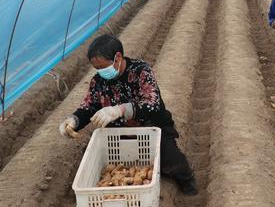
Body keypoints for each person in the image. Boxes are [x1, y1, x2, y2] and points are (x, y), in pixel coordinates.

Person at [59, 35, 198, 195]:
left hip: (151, 128)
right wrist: (74, 120)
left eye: (103, 67)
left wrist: (120, 110)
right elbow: (89, 106)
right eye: (96, 69)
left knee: (172, 161)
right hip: (119, 133)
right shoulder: (98, 82)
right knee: (99, 161)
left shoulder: (140, 71)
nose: (100, 72)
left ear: (118, 58)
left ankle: (187, 180)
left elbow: (152, 103)